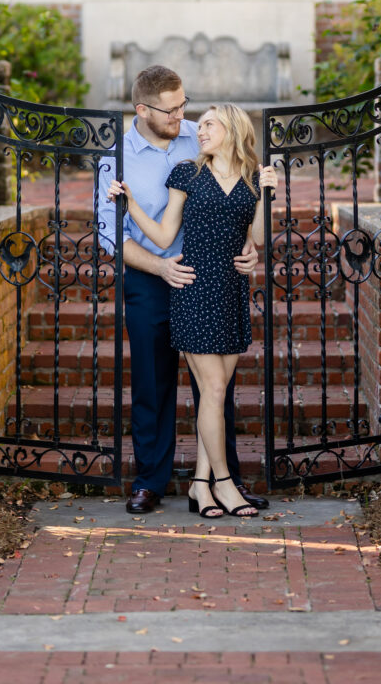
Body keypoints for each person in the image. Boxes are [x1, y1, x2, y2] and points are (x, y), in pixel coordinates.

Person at [98, 66, 269, 514]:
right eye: (171, 110)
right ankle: (150, 481)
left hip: (210, 278)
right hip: (152, 277)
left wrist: (250, 247)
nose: (182, 116)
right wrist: (159, 267)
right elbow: (110, 232)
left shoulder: (204, 134)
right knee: (153, 384)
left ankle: (216, 478)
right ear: (142, 110)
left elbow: (239, 199)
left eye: (184, 105)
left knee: (215, 386)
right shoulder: (116, 158)